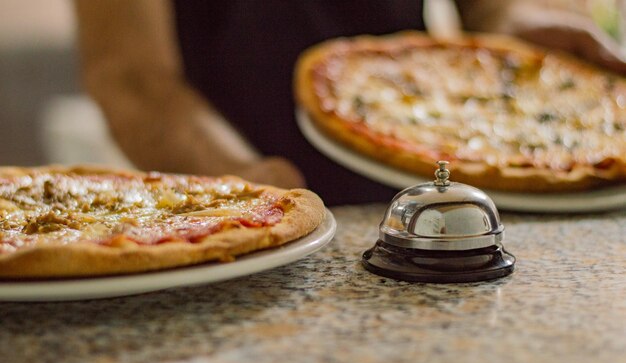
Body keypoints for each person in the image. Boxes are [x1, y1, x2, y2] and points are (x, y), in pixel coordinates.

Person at [73, 1, 626, 205]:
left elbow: (486, 10)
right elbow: (134, 78)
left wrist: (511, 27)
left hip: (431, 170)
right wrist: (252, 191)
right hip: (234, 174)